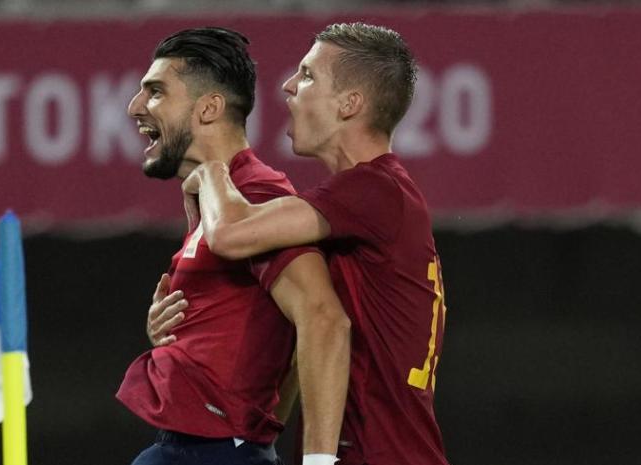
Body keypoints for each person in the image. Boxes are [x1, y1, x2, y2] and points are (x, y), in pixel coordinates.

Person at [177, 23, 451, 465]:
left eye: (307, 75)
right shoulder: (371, 200)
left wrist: (211, 170)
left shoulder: (374, 190)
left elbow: (230, 232)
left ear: (350, 104)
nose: (288, 85)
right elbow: (296, 323)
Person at [115, 27, 351, 465]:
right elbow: (285, 334)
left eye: (156, 91)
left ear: (208, 108)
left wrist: (313, 460)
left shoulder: (257, 196)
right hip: (197, 448)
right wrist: (175, 341)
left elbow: (322, 320)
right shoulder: (218, 201)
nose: (134, 107)